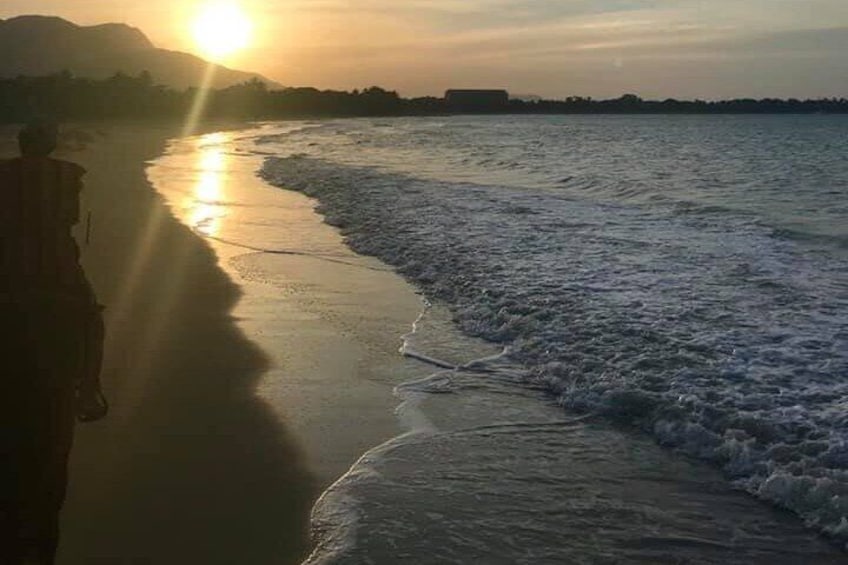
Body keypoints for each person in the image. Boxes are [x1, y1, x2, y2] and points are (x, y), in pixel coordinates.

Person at [0, 121, 108, 564]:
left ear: (23, 144)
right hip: (54, 269)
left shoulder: (5, 174)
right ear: (49, 145)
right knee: (89, 316)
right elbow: (68, 219)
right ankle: (89, 388)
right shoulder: (66, 173)